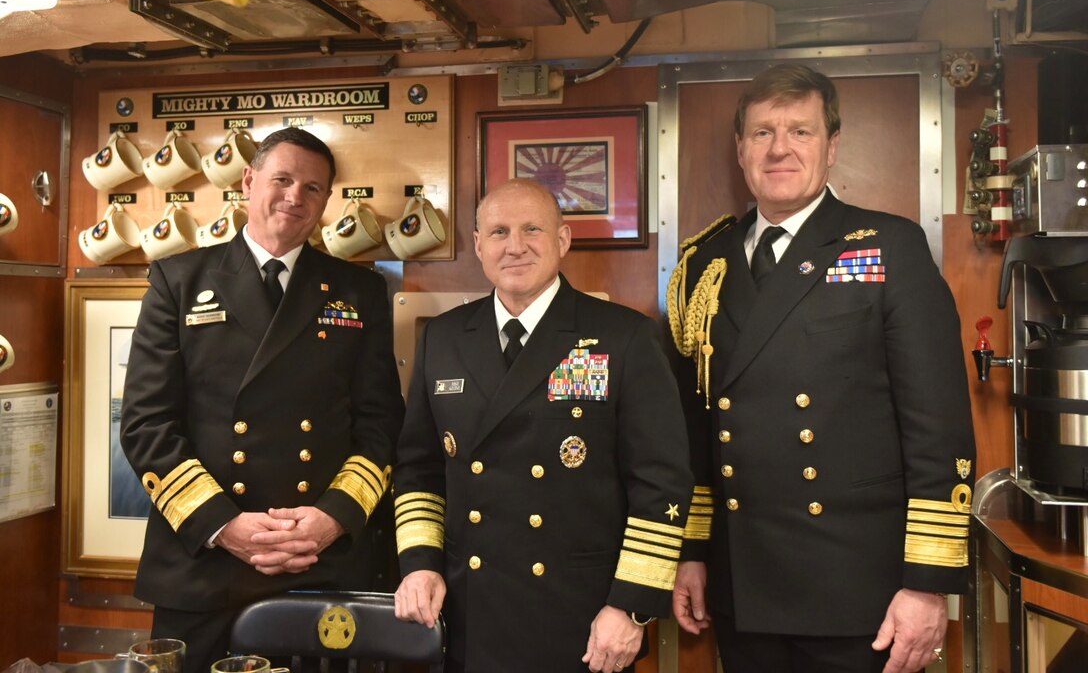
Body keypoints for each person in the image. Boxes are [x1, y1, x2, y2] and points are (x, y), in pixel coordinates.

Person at [667, 64, 976, 673]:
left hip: (859, 587)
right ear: (740, 150)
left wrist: (927, 583)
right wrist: (694, 551)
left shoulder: (888, 247)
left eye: (800, 132)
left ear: (831, 147)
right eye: (762, 133)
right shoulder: (706, 264)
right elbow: (694, 429)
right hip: (742, 582)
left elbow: (936, 426)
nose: (779, 148)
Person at [121, 127, 404, 673]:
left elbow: (381, 423)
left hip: (316, 557)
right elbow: (145, 424)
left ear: (325, 202)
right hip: (203, 559)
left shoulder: (358, 291)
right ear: (249, 181)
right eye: (283, 179)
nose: (295, 197)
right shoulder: (178, 281)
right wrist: (225, 526)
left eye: (314, 188)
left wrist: (333, 519)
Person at [392, 180, 694, 673]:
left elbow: (662, 485)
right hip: (470, 611)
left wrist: (632, 607)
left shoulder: (624, 336)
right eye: (498, 232)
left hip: (585, 620)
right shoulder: (444, 338)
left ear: (563, 239)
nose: (515, 245)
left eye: (532, 228)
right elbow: (418, 471)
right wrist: (421, 564)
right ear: (477, 245)